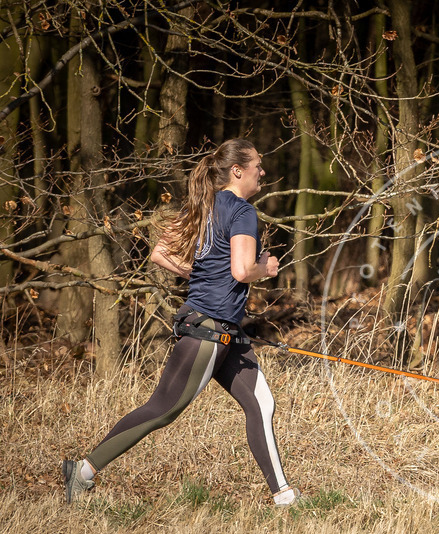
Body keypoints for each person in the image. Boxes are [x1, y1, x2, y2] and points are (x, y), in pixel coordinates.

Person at [63, 138, 305, 506]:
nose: (263, 171)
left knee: (261, 403)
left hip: (224, 329)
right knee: (163, 409)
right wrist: (265, 268)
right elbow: (242, 270)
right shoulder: (242, 211)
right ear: (237, 171)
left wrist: (205, 273)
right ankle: (81, 472)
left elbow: (160, 253)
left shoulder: (204, 205)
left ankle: (284, 496)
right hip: (209, 331)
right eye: (258, 164)